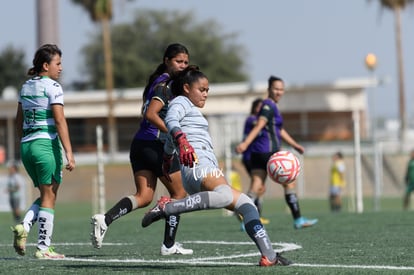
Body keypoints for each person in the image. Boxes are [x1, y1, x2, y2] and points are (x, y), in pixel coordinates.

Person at [142, 66, 292, 266]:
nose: (205, 94)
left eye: (207, 90)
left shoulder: (191, 111)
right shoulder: (180, 101)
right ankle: (168, 207)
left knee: (248, 207)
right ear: (186, 88)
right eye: (201, 89)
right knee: (225, 196)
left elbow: (170, 139)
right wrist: (182, 141)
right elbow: (170, 120)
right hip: (198, 165)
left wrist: (168, 157)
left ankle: (269, 256)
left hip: (201, 168)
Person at [90, 43, 193, 255]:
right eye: (178, 61)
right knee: (179, 192)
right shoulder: (165, 84)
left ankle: (105, 219)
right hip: (155, 144)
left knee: (144, 196)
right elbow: (151, 115)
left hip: (140, 145)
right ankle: (169, 245)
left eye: (185, 62)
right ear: (167, 61)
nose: (183, 66)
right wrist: (176, 134)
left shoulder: (156, 81)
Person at [11, 44, 76, 259]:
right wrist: (69, 152)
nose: (61, 68)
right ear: (46, 65)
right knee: (49, 197)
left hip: (27, 146)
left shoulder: (26, 86)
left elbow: (18, 120)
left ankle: (25, 226)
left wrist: (25, 141)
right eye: (58, 63)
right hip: (46, 145)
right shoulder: (53, 87)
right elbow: (59, 120)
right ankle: (43, 248)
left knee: (46, 194)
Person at [235, 76, 317, 229]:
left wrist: (294, 145)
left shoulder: (271, 106)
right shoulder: (268, 105)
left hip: (258, 153)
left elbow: (279, 130)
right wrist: (245, 143)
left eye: (281, 89)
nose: (279, 92)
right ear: (269, 90)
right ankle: (298, 219)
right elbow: (260, 124)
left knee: (256, 187)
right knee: (289, 182)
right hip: (269, 152)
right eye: (276, 89)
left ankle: (244, 219)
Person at [241, 98, 270, 225]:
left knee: (260, 188)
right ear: (254, 108)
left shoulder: (258, 121)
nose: (261, 110)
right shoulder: (252, 119)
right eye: (259, 107)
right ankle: (245, 213)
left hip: (255, 156)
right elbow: (259, 125)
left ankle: (256, 215)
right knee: (257, 186)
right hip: (250, 157)